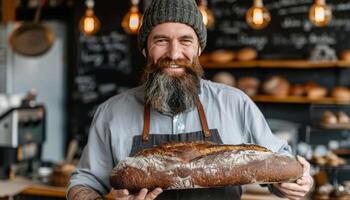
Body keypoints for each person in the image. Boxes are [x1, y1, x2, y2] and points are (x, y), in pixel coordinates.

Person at [67, 0, 313, 199]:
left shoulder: (235, 103)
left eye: (185, 41)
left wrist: (296, 182)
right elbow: (83, 184)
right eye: (161, 41)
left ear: (198, 49)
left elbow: (281, 165)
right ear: (145, 49)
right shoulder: (111, 112)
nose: (174, 54)